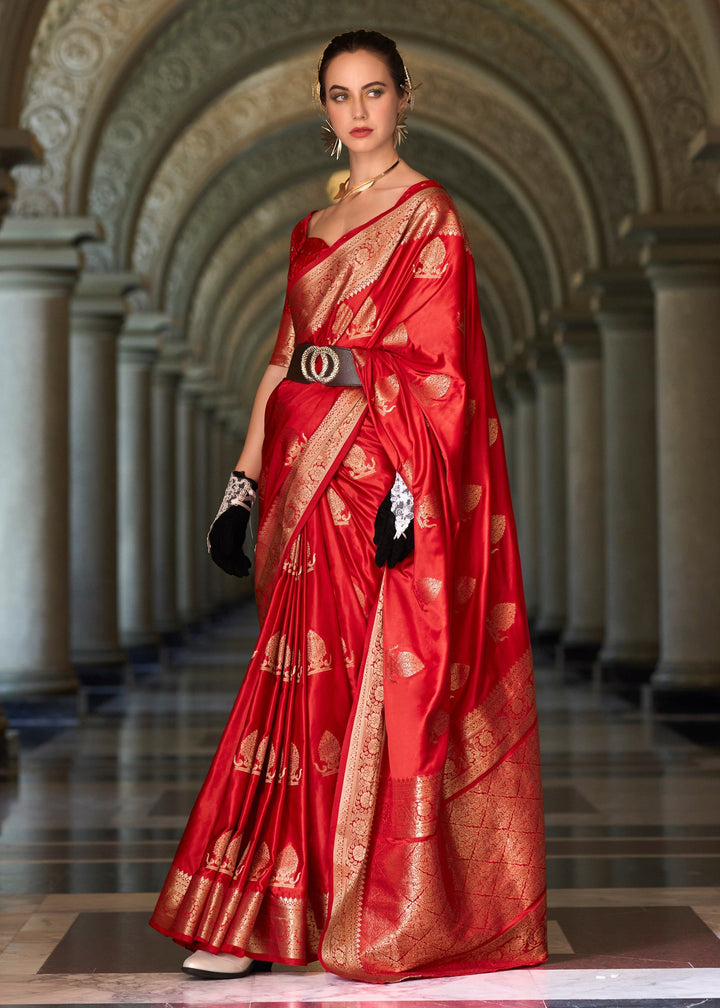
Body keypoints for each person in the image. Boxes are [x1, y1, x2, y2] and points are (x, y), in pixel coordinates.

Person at [150, 29, 547, 984]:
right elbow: (283, 360)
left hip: (378, 478)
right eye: (340, 94)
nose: (359, 109)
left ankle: (361, 909)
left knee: (364, 692)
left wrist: (407, 491)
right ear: (322, 109)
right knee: (290, 685)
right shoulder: (310, 232)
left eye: (375, 91)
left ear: (406, 98)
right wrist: (242, 487)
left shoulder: (429, 217)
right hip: (299, 475)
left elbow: (439, 373)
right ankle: (259, 911)